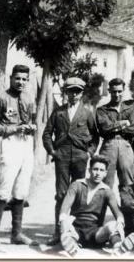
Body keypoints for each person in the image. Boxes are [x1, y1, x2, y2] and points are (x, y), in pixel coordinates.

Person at [0, 64, 39, 252]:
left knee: (21, 191)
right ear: (11, 78)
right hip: (10, 144)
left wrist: (31, 127)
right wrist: (14, 128)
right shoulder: (2, 98)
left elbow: (31, 121)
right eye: (18, 78)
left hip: (26, 145)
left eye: (24, 79)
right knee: (4, 190)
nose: (21, 82)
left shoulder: (29, 97)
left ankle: (16, 234)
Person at [43, 77, 100, 245]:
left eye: (77, 92)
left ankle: (75, 232)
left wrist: (89, 152)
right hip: (62, 156)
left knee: (78, 194)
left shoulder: (87, 112)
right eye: (70, 91)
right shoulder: (58, 112)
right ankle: (58, 231)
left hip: (80, 158)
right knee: (61, 194)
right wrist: (52, 151)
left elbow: (95, 136)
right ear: (65, 93)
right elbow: (47, 133)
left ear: (82, 94)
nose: (74, 95)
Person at [58, 155, 134, 256]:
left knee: (112, 225)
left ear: (105, 173)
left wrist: (120, 223)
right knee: (66, 223)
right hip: (76, 229)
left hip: (95, 233)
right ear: (89, 170)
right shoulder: (77, 185)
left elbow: (117, 212)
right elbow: (65, 207)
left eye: (101, 170)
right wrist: (64, 222)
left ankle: (119, 247)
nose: (98, 173)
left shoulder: (107, 191)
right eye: (95, 169)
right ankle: (72, 247)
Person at [96, 78, 134, 190]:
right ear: (109, 91)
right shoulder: (102, 110)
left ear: (124, 91)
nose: (117, 94)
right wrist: (123, 123)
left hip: (126, 145)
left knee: (128, 182)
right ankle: (102, 207)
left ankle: (127, 207)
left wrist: (113, 126)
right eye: (114, 91)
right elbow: (104, 128)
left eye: (119, 91)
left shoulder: (130, 108)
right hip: (109, 145)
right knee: (105, 182)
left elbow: (133, 128)